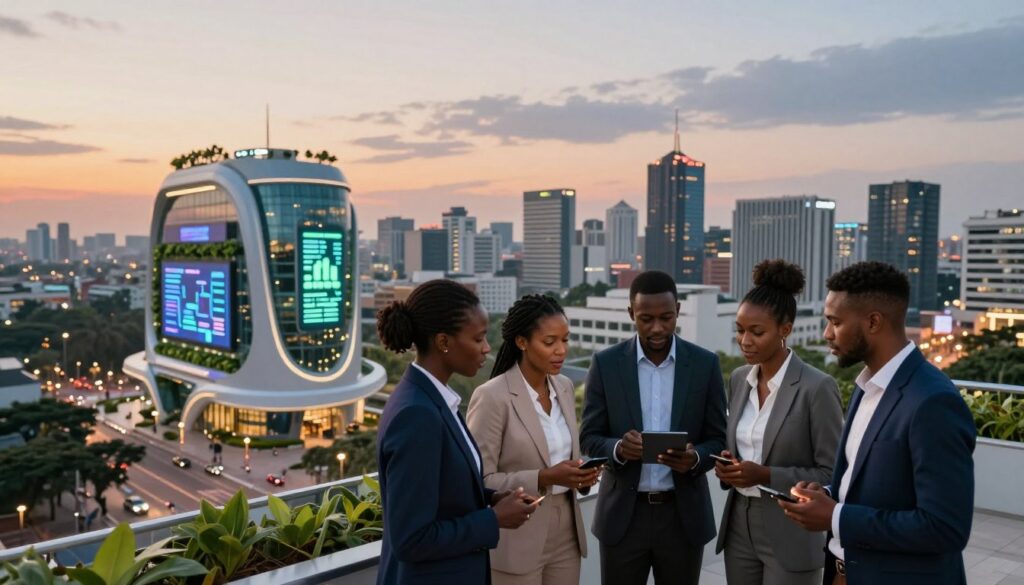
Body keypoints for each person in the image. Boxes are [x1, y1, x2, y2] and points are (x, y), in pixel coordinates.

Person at [777, 262, 976, 585]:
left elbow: (945, 528)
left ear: (873, 322)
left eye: (835, 322)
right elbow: (869, 481)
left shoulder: (933, 402)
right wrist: (827, 494)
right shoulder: (866, 386)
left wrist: (835, 516)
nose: (826, 334)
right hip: (843, 572)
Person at [376, 280, 537, 585]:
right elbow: (411, 538)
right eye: (478, 339)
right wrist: (494, 519)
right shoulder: (417, 414)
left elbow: (442, 492)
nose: (487, 348)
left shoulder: (435, 400)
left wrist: (490, 499)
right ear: (443, 342)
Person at [580, 270, 727, 585]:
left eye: (667, 317)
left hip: (682, 516)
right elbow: (589, 438)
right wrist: (618, 448)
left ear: (677, 311)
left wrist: (696, 458)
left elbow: (718, 439)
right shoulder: (605, 364)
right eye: (646, 319)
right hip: (623, 518)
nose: (658, 328)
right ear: (631, 313)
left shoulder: (705, 364)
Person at [714, 259, 844, 585]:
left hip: (792, 529)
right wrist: (729, 468)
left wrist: (765, 475)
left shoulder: (817, 388)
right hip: (739, 524)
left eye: (757, 332)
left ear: (785, 329)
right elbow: (742, 446)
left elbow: (832, 474)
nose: (745, 341)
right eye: (740, 330)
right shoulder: (739, 378)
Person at [467, 294, 600, 585]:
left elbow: (563, 454)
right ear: (522, 342)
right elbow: (479, 480)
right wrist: (543, 477)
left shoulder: (564, 387)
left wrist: (581, 475)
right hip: (517, 536)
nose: (561, 351)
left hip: (567, 532)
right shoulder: (492, 397)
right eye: (549, 342)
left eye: (565, 340)